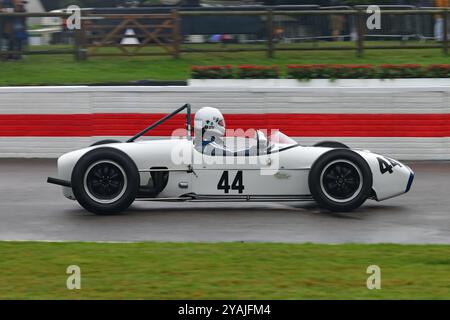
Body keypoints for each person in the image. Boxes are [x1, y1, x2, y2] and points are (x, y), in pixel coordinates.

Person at [194, 107, 267, 157]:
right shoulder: (208, 145)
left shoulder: (202, 142)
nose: (222, 125)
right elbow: (232, 154)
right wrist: (254, 149)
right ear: (210, 123)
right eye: (220, 122)